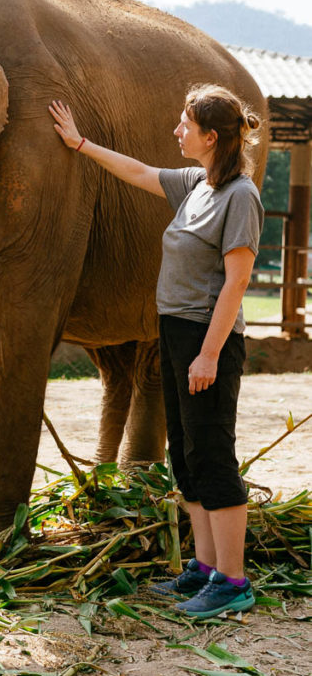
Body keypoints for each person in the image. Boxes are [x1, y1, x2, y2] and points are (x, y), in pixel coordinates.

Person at [49, 85, 263, 619]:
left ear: (211, 137)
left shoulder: (240, 196)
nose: (176, 131)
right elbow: (140, 172)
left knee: (212, 454)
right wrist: (80, 144)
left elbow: (238, 281)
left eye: (185, 124)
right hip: (176, 332)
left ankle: (234, 582)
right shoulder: (196, 184)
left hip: (209, 339)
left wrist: (209, 354)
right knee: (185, 455)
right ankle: (206, 568)